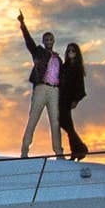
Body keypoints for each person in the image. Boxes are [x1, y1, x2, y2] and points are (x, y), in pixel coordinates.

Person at [17, 11, 65, 156]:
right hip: (41, 88)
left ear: (54, 41)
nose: (49, 41)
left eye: (51, 39)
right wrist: (23, 25)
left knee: (55, 122)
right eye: (47, 39)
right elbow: (29, 42)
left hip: (54, 91)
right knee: (33, 119)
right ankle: (24, 151)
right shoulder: (38, 52)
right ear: (44, 42)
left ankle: (59, 153)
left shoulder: (58, 59)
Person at [57, 42, 92, 162]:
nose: (71, 53)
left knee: (68, 125)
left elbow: (80, 86)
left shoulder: (77, 68)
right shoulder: (64, 66)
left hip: (68, 99)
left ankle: (78, 150)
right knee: (65, 125)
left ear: (76, 53)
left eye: (73, 51)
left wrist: (76, 100)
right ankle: (80, 149)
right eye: (69, 51)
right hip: (60, 98)